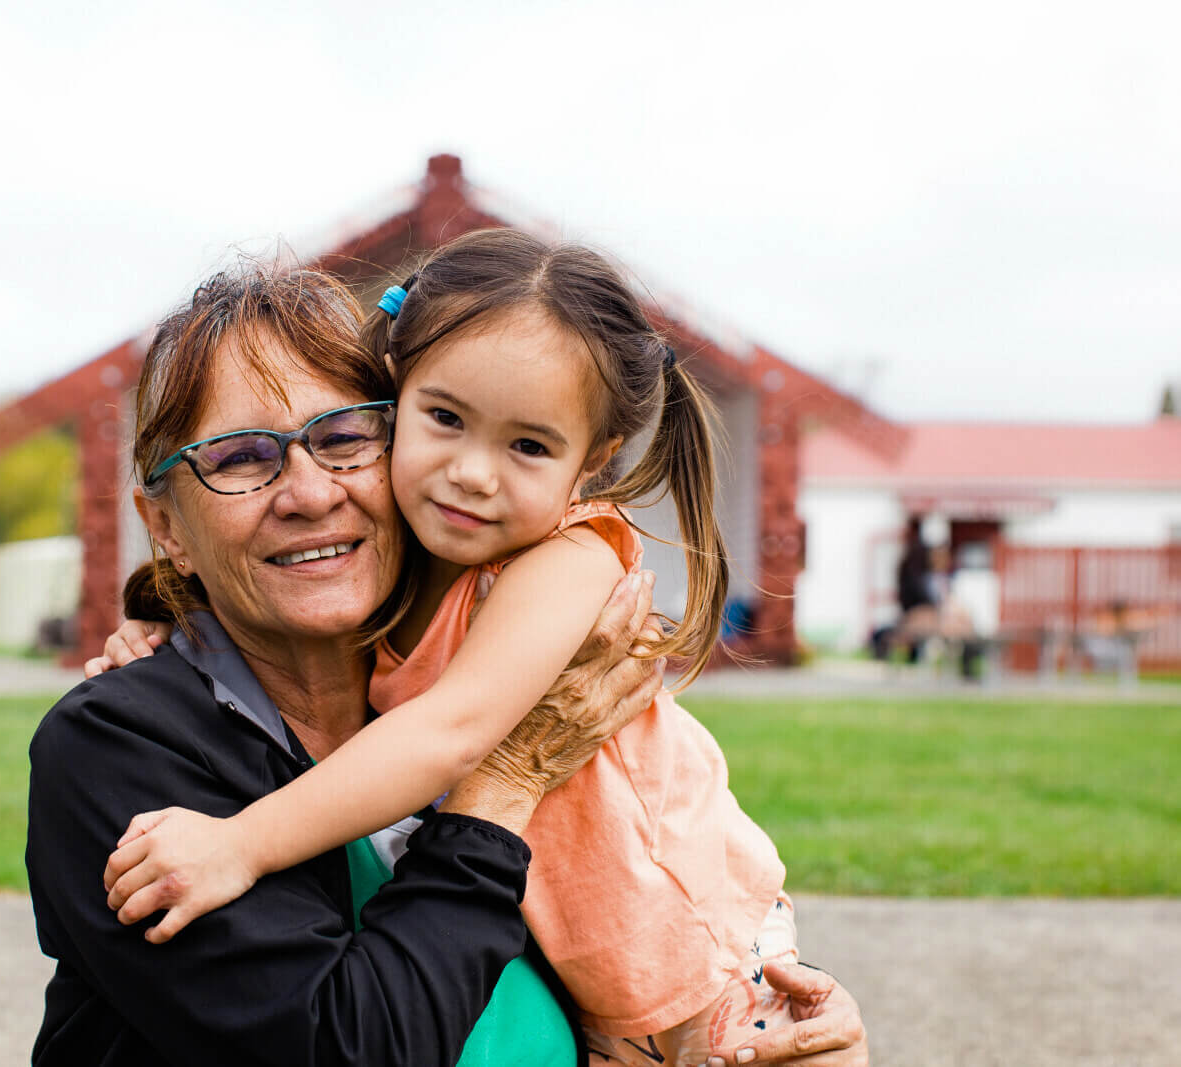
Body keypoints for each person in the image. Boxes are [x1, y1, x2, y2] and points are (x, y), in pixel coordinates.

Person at [94, 237, 868, 1067]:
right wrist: (173, 629)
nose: (472, 473)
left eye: (528, 446)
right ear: (396, 396)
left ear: (592, 462)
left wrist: (238, 844)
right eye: (444, 419)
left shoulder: (570, 558)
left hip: (706, 961)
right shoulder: (416, 560)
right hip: (599, 989)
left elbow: (452, 729)